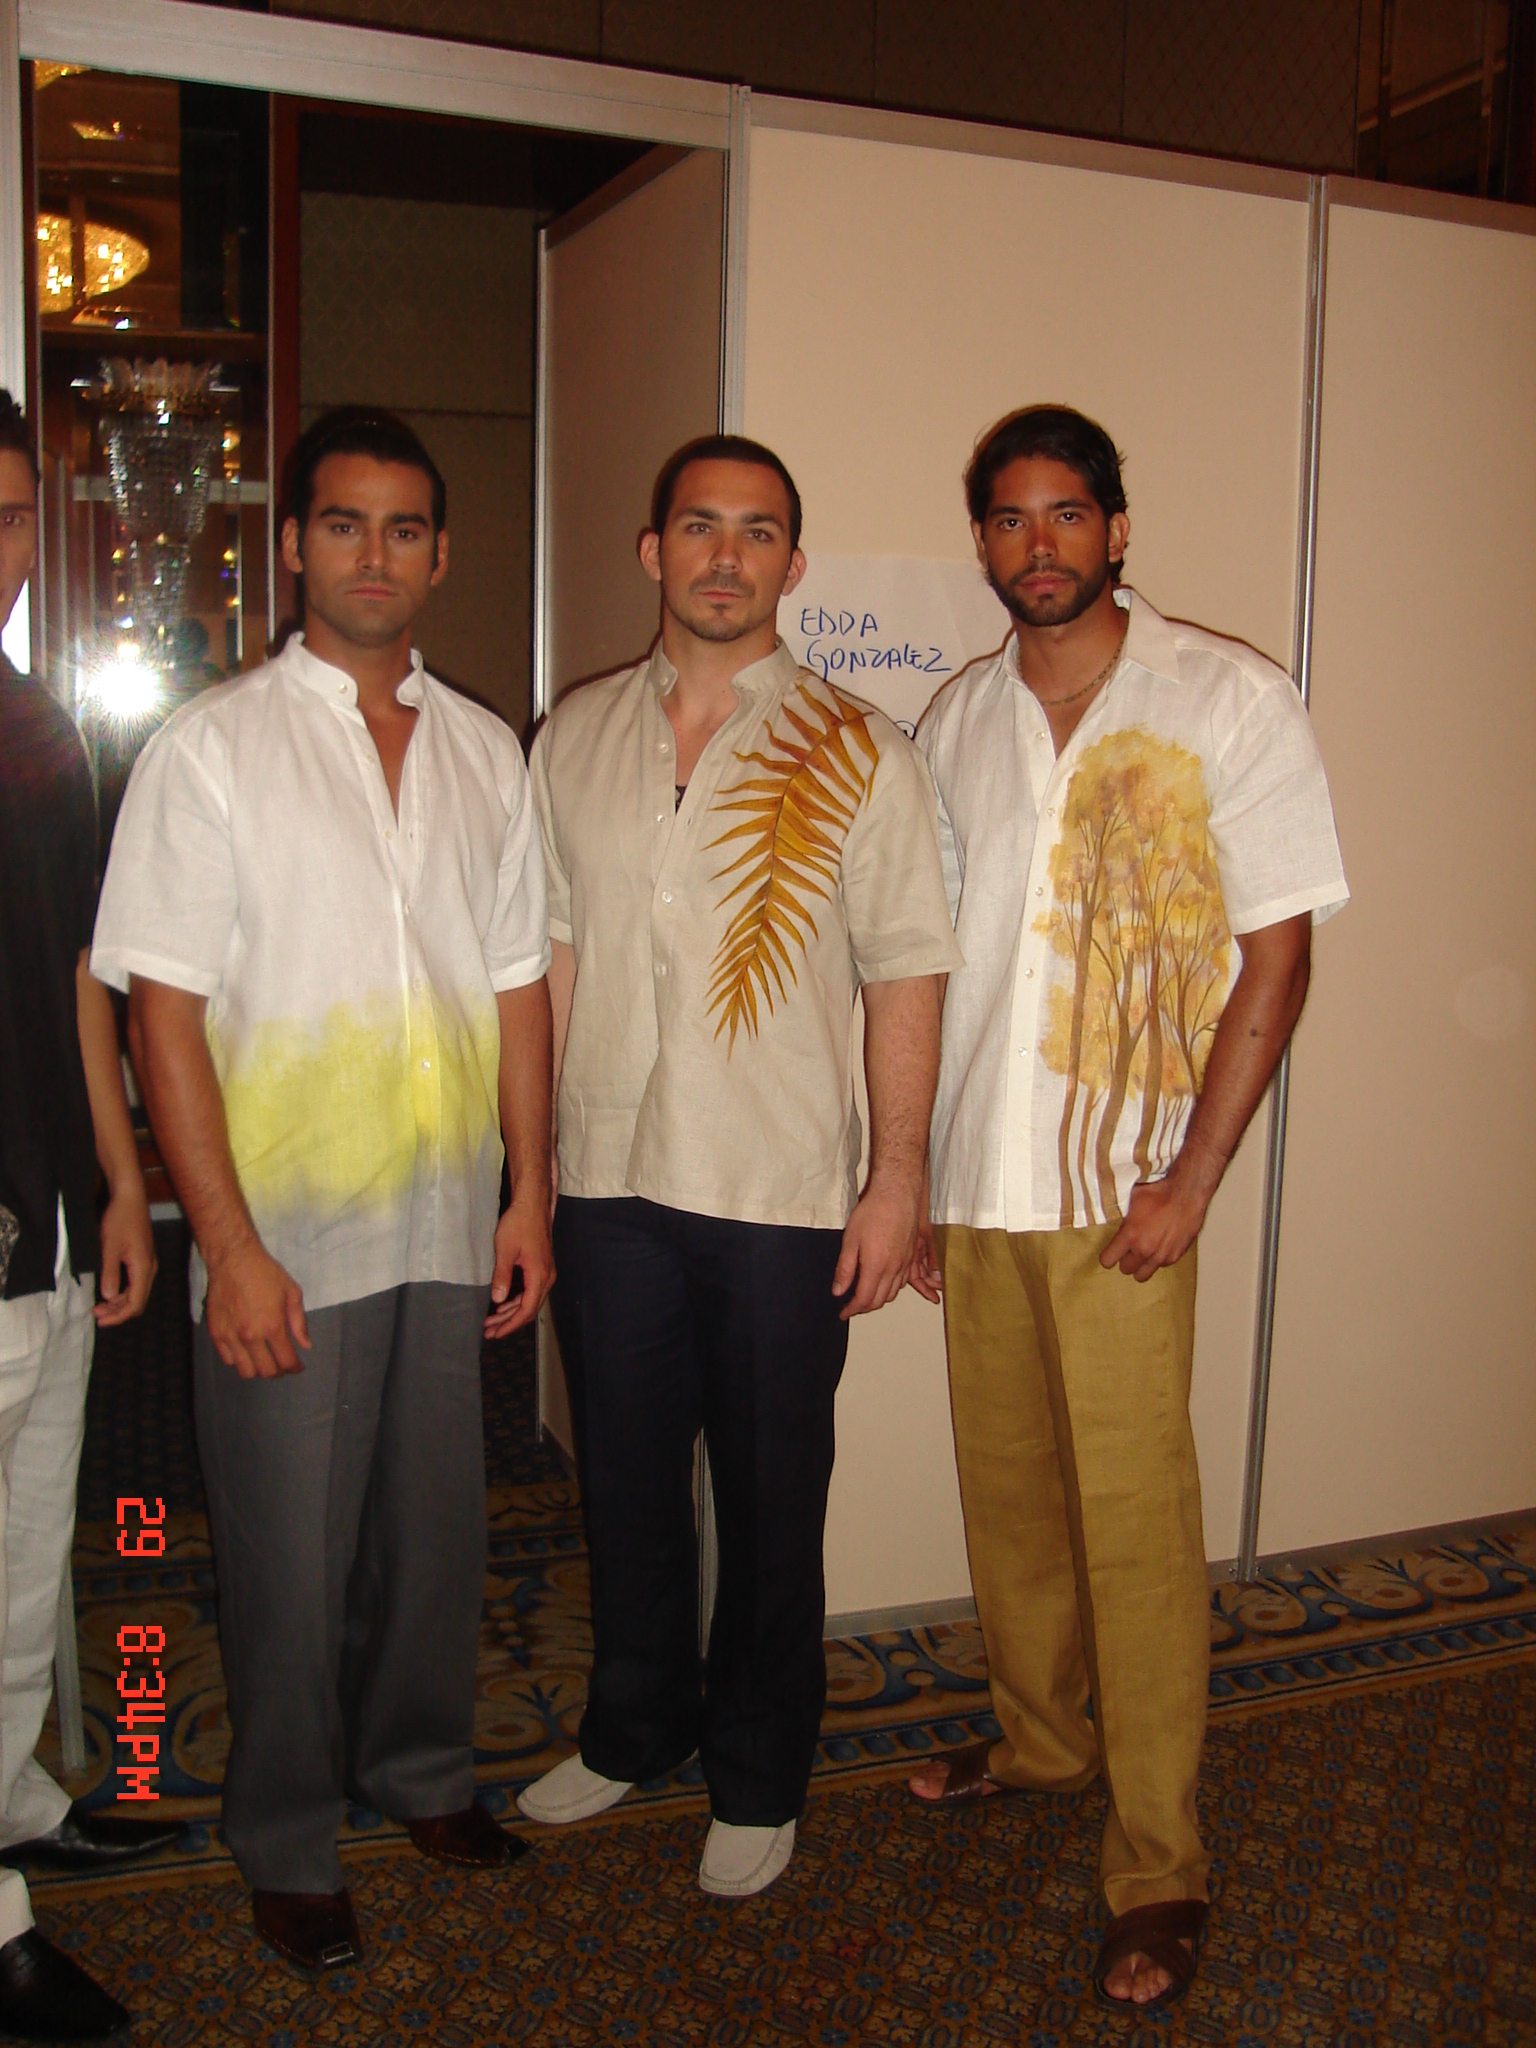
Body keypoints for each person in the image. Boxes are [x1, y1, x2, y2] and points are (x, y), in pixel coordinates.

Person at [91, 408, 555, 1975]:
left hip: (445, 1218)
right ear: (293, 546)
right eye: (344, 524)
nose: (374, 555)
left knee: (436, 1534)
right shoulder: (211, 748)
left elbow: (517, 984)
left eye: (403, 528)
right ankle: (286, 1835)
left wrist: (530, 1193)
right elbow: (161, 1012)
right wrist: (223, 1244)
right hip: (281, 1235)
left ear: (441, 554)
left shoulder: (486, 750)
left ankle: (420, 1773)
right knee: (283, 1552)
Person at [906, 406, 1348, 2012]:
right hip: (981, 1184)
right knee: (1012, 1503)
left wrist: (1195, 1180)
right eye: (1011, 518)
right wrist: (914, 1172)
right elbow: (929, 964)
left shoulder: (1227, 700)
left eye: (1068, 514)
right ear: (982, 540)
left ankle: (1160, 1863)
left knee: (1139, 1535)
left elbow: (1278, 953)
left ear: (1118, 529)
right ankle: (1041, 1743)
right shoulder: (955, 721)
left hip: (1126, 1198)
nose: (1041, 545)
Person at [518, 435, 963, 1897]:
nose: (726, 555)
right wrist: (534, 1168)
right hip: (607, 1181)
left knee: (773, 1500)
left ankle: (761, 1776)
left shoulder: (860, 746)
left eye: (758, 531)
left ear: (793, 563)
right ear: (654, 550)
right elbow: (555, 957)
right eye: (700, 527)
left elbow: (906, 969)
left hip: (779, 1194)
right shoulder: (573, 735)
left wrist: (897, 1179)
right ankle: (635, 1727)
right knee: (627, 1484)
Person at [0, 390, 175, 2041]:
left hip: (43, 1220)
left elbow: (77, 976)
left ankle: (14, 1805)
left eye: (4, 520)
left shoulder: (37, 727)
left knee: (21, 1562)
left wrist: (122, 1184)